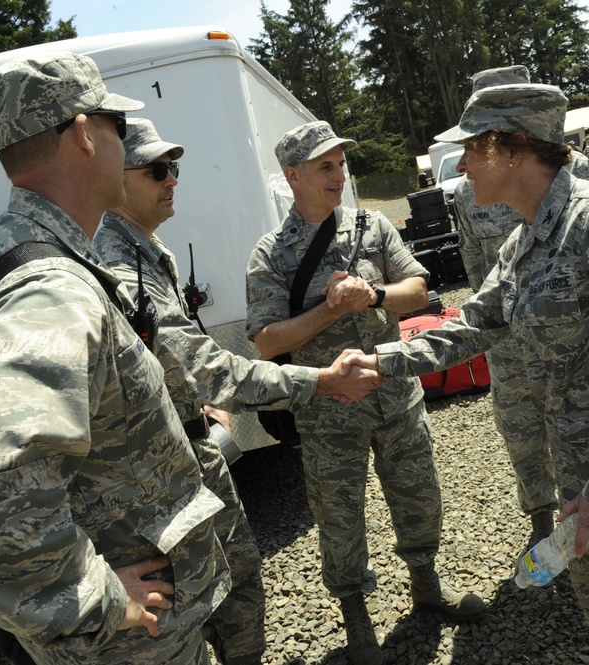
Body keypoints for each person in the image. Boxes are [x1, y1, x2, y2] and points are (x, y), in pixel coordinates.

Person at [0, 52, 380, 665]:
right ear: (82, 133)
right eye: (117, 131)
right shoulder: (52, 286)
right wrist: (93, 598)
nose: (162, 173)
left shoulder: (14, 255)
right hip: (134, 635)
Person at [342, 83, 589, 664]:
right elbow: (473, 324)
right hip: (583, 488)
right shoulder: (524, 241)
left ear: (512, 149)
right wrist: (379, 362)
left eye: (470, 149)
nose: (461, 165)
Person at [94, 118, 382, 663]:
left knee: (241, 575)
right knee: (190, 605)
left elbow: (171, 366)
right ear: (116, 177)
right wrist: (319, 381)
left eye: (173, 167)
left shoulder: (146, 252)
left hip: (191, 447)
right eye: (156, 169)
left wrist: (199, 406)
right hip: (154, 479)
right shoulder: (118, 268)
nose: (171, 179)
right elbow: (211, 364)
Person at [245, 121, 485, 664]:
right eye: (325, 166)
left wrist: (374, 295)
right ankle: (356, 619)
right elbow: (265, 340)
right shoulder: (272, 254)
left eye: (341, 163)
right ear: (294, 175)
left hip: (396, 398)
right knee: (340, 516)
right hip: (328, 413)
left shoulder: (371, 225)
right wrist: (330, 309)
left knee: (418, 497)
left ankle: (425, 584)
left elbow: (419, 291)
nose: (339, 175)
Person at [452, 64, 589, 554]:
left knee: (577, 429)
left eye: (475, 143)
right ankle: (543, 522)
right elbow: (478, 269)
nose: (463, 163)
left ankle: (583, 520)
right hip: (507, 336)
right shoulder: (470, 196)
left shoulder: (585, 194)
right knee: (521, 431)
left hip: (569, 345)